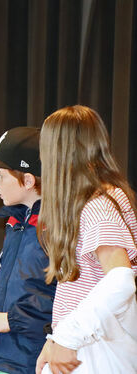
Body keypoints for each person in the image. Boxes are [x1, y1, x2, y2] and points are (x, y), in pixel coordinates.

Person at [34, 105, 137, 374]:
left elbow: (121, 281)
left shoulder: (99, 204)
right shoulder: (90, 203)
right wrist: (56, 338)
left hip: (98, 352)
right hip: (87, 346)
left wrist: (67, 336)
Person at [0, 126, 56, 374]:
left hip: (33, 362)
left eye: (0, 174)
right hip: (2, 358)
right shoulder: (17, 224)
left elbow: (64, 299)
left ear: (28, 180)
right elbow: (14, 287)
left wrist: (8, 320)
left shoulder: (56, 230)